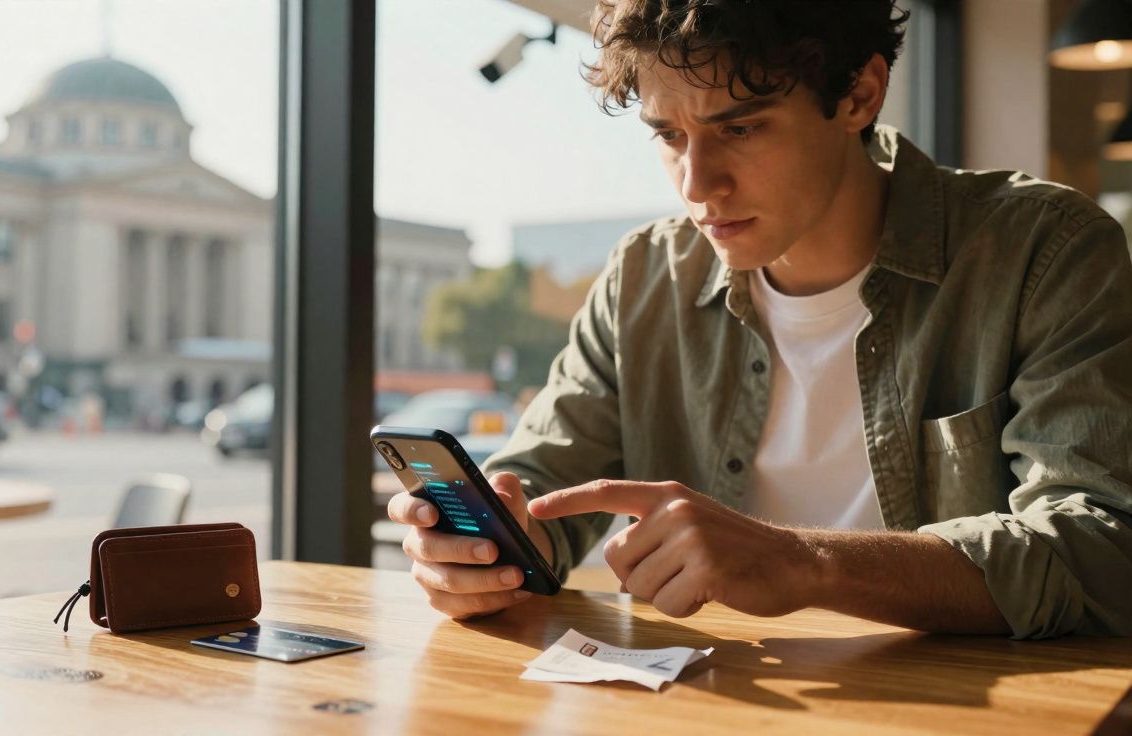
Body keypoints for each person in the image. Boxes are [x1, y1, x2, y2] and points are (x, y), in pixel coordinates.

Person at [387, 0, 1132, 638]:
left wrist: (804, 564)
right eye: (669, 136)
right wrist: (483, 551)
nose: (697, 184)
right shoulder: (646, 277)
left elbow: (1101, 548)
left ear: (860, 95)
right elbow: (541, 482)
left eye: (740, 129)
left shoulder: (1044, 250)